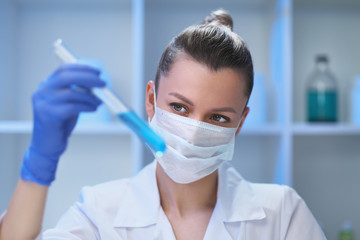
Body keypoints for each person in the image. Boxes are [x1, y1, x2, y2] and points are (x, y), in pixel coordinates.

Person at [0, 10, 326, 240]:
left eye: (218, 118)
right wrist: (39, 163)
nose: (194, 131)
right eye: (179, 107)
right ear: (150, 100)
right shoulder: (100, 213)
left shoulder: (282, 214)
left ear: (240, 123)